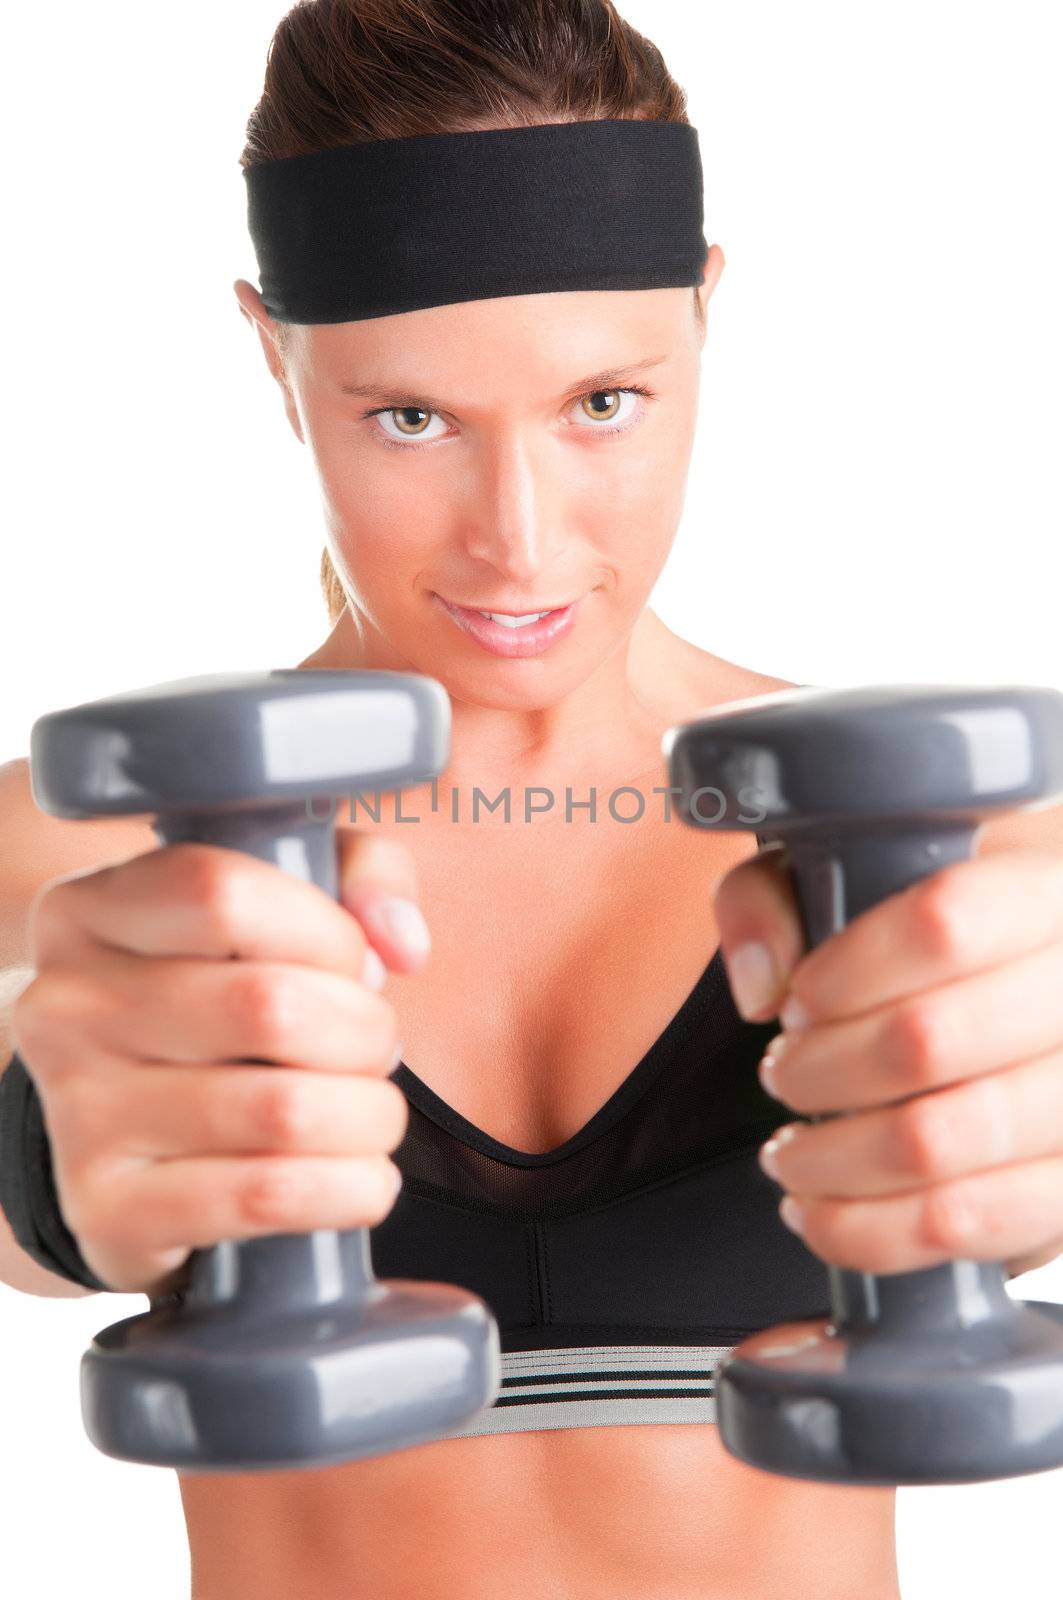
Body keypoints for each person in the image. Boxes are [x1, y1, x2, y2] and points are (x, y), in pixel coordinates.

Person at [0, 3, 905, 1596]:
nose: (521, 544)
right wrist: (55, 1180)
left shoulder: (944, 853)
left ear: (707, 313)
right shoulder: (77, 862)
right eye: (411, 416)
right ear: (276, 358)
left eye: (602, 404)